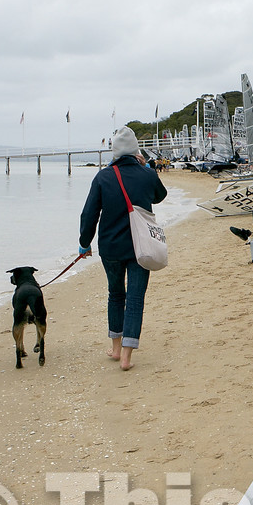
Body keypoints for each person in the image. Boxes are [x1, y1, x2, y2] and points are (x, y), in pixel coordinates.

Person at [79, 127, 167, 370]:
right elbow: (160, 195)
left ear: (115, 151)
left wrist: (84, 243)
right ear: (136, 150)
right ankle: (127, 357)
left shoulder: (103, 177)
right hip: (142, 246)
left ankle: (116, 349)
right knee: (136, 297)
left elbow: (89, 215)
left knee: (116, 295)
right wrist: (146, 168)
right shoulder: (147, 174)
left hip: (111, 247)